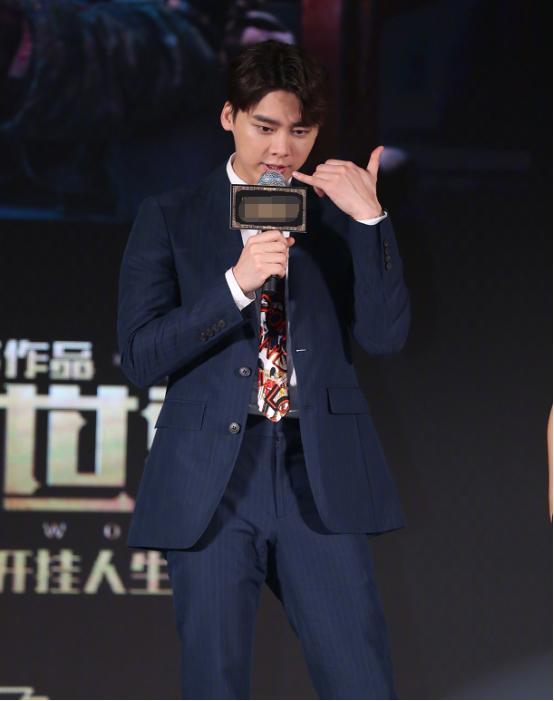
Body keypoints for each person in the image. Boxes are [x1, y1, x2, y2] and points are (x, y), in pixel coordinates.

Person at [117, 39, 411, 699]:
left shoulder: (338, 216)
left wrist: (371, 220)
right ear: (229, 117)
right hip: (212, 476)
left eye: (300, 131)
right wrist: (234, 286)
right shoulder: (170, 215)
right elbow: (140, 354)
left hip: (317, 466)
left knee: (361, 681)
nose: (282, 149)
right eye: (265, 127)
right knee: (215, 683)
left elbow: (385, 337)